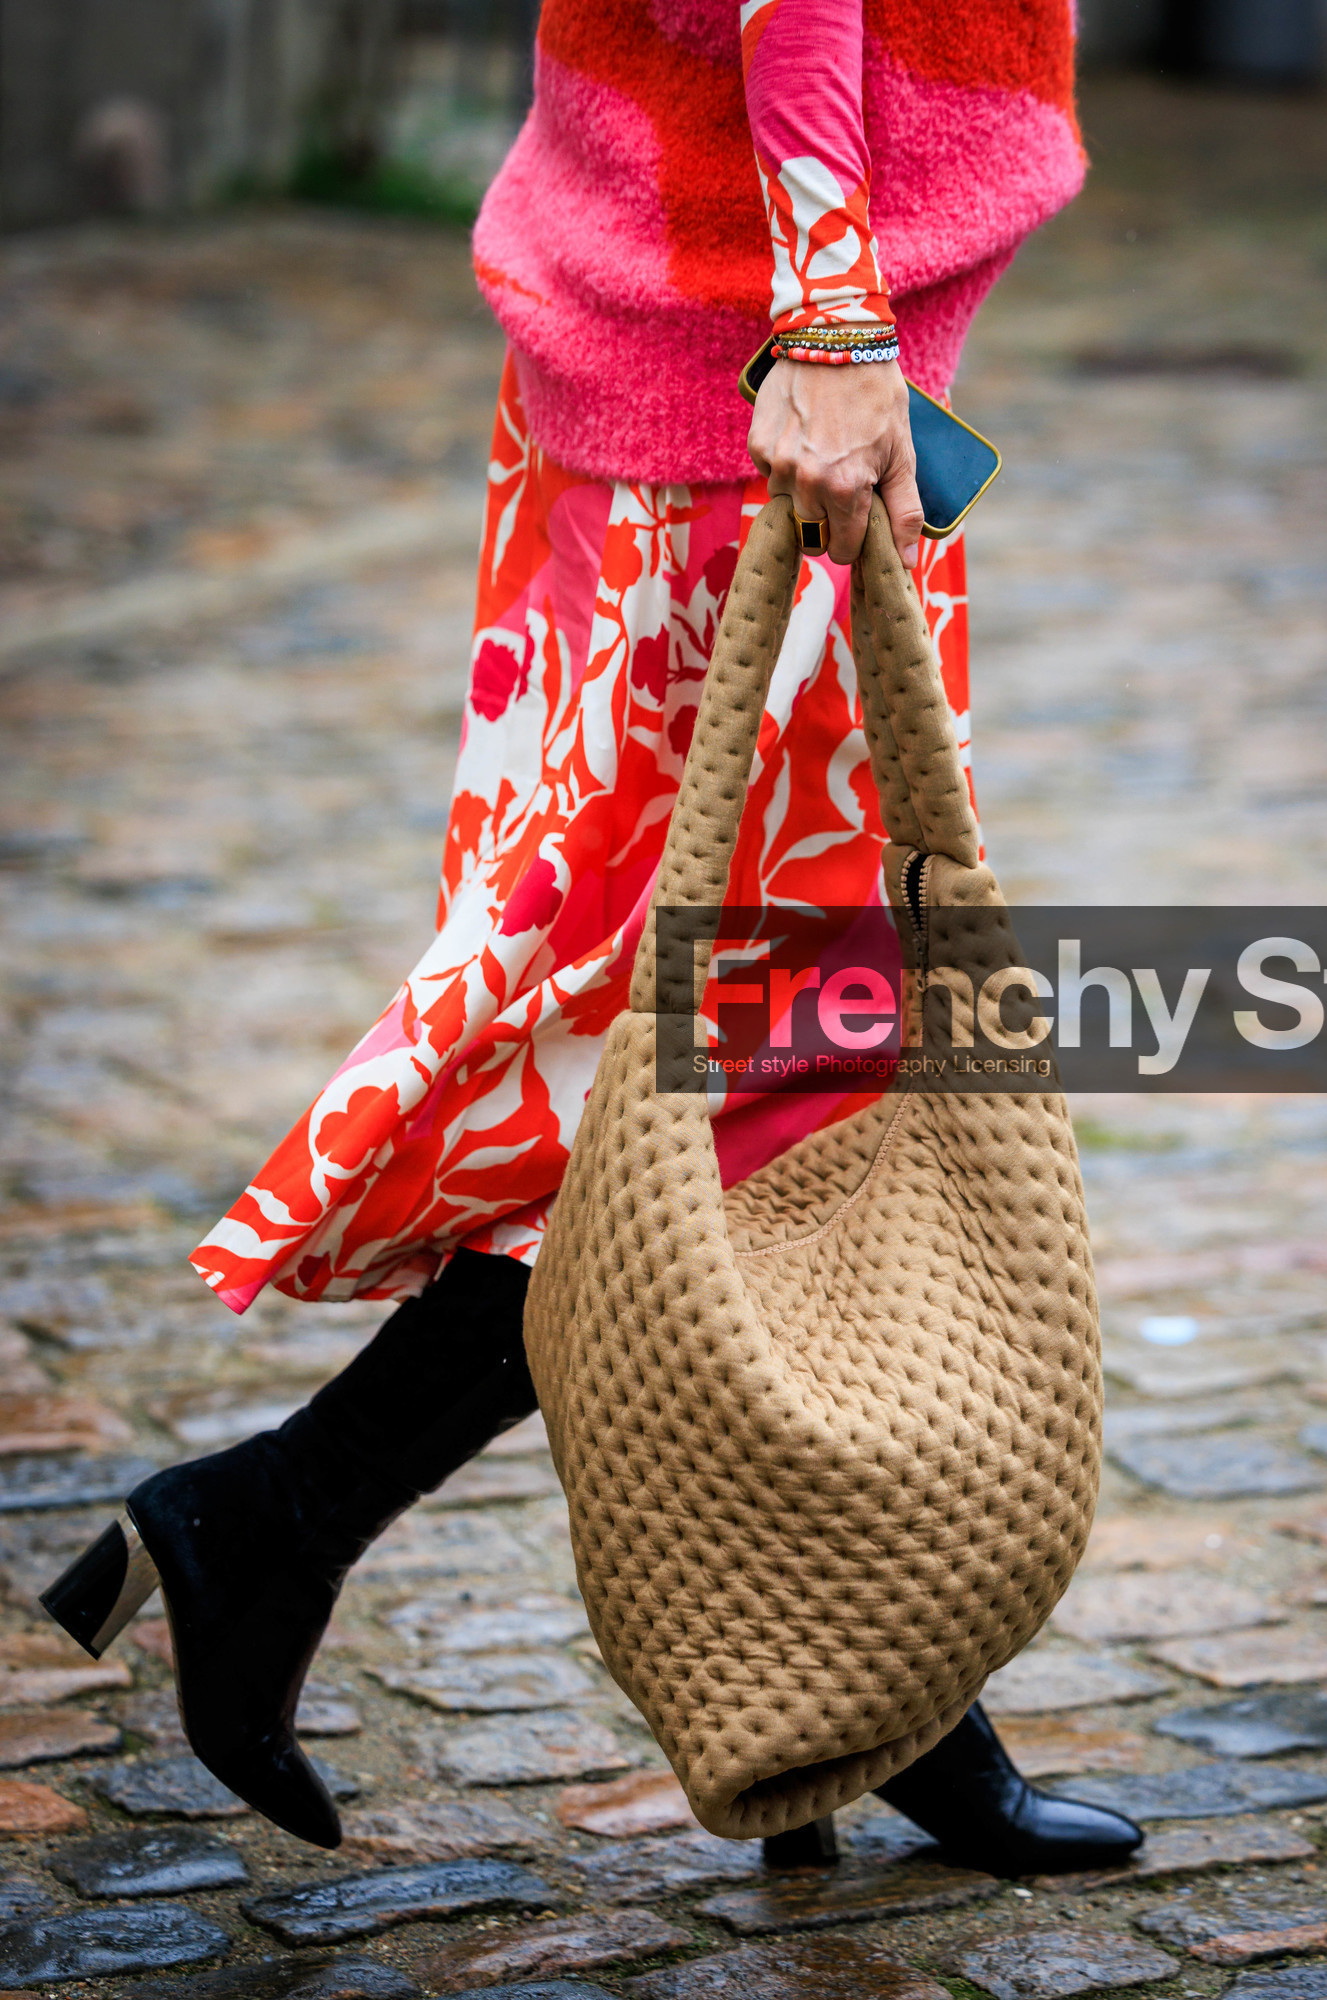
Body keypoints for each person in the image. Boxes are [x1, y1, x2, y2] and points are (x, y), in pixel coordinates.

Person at [43, 0, 1141, 1873]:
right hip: (756, 396)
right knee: (701, 1074)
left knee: (747, 1056)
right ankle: (287, 1525)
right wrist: (831, 321)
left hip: (726, 362)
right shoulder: (802, 348)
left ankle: (847, 1681)